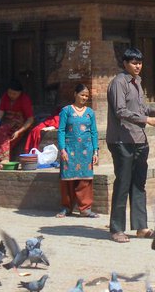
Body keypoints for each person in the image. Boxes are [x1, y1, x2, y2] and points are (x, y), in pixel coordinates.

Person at [106, 47, 155, 243]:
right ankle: (117, 229)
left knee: (139, 184)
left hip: (139, 139)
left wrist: (153, 111)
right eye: (134, 63)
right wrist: (146, 120)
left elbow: (139, 107)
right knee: (123, 183)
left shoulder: (138, 82)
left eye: (140, 63)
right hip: (121, 140)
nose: (137, 66)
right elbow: (120, 111)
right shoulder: (119, 82)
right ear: (125, 63)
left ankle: (141, 227)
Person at [57, 84, 99, 218]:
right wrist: (62, 149)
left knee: (85, 179)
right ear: (75, 94)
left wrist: (95, 151)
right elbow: (61, 130)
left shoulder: (90, 112)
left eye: (87, 96)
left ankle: (85, 209)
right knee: (67, 179)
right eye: (82, 95)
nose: (84, 98)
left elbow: (94, 132)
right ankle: (66, 207)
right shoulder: (66, 111)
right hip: (69, 149)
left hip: (86, 150)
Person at [0, 80, 34, 164]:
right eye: (10, 93)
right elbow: (0, 113)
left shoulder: (24, 99)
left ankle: (3, 160)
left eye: (14, 94)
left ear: (20, 93)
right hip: (7, 122)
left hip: (20, 124)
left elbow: (30, 119)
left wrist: (19, 131)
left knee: (4, 133)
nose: (11, 95)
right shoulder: (5, 97)